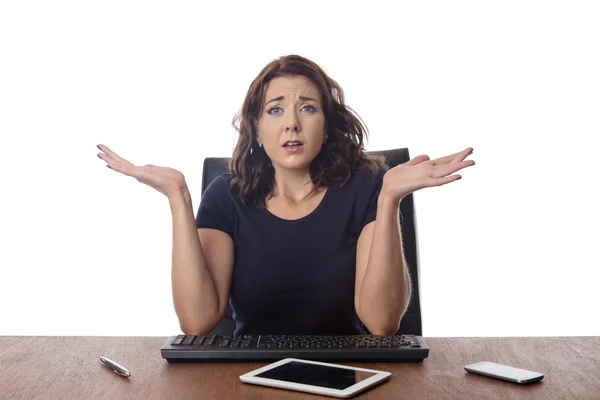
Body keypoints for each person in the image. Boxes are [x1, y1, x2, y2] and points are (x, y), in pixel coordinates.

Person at [97, 54, 475, 337]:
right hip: (245, 378)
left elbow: (381, 323)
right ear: (257, 130)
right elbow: (197, 322)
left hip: (353, 375)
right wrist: (178, 197)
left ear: (326, 126)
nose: (292, 122)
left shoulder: (368, 185)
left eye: (307, 108)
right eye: (275, 110)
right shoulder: (226, 196)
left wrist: (390, 196)